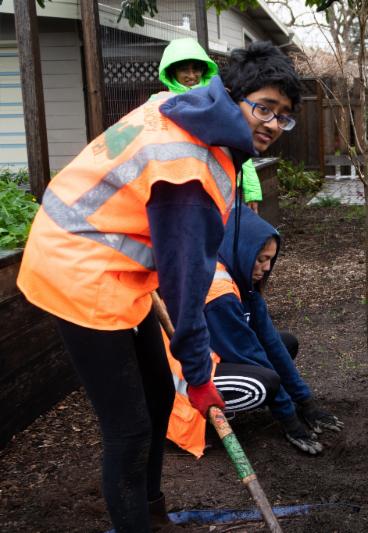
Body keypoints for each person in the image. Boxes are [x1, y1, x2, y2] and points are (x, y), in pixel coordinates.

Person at [16, 41, 300, 532]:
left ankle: (154, 514)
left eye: (284, 116)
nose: (273, 124)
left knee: (157, 397)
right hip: (78, 269)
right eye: (264, 108)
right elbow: (186, 288)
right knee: (129, 429)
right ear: (232, 97)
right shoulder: (187, 172)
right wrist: (200, 376)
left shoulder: (187, 108)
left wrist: (189, 379)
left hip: (115, 263)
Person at [167, 206, 343, 457]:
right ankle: (205, 421)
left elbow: (270, 343)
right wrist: (289, 419)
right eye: (261, 259)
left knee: (285, 343)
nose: (267, 267)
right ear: (243, 251)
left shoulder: (240, 278)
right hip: (187, 386)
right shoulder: (219, 293)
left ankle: (262, 398)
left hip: (214, 356)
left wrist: (306, 402)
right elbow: (250, 354)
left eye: (270, 259)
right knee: (263, 384)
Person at [155, 37, 265, 212]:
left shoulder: (217, 101)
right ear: (172, 72)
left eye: (196, 69)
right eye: (184, 69)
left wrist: (251, 190)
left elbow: (238, 144)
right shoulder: (160, 103)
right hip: (179, 186)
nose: (192, 75)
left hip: (222, 183)